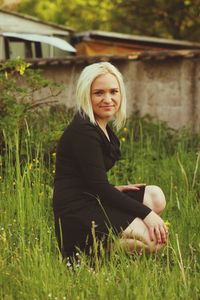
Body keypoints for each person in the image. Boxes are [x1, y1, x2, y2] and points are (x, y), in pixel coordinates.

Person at [52, 62, 168, 259]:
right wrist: (148, 216)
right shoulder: (84, 130)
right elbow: (99, 187)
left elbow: (93, 181)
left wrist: (112, 189)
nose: (108, 99)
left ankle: (104, 240)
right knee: (154, 241)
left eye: (113, 91)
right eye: (99, 93)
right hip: (77, 210)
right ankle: (91, 251)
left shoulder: (102, 127)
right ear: (86, 95)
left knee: (155, 196)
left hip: (91, 197)